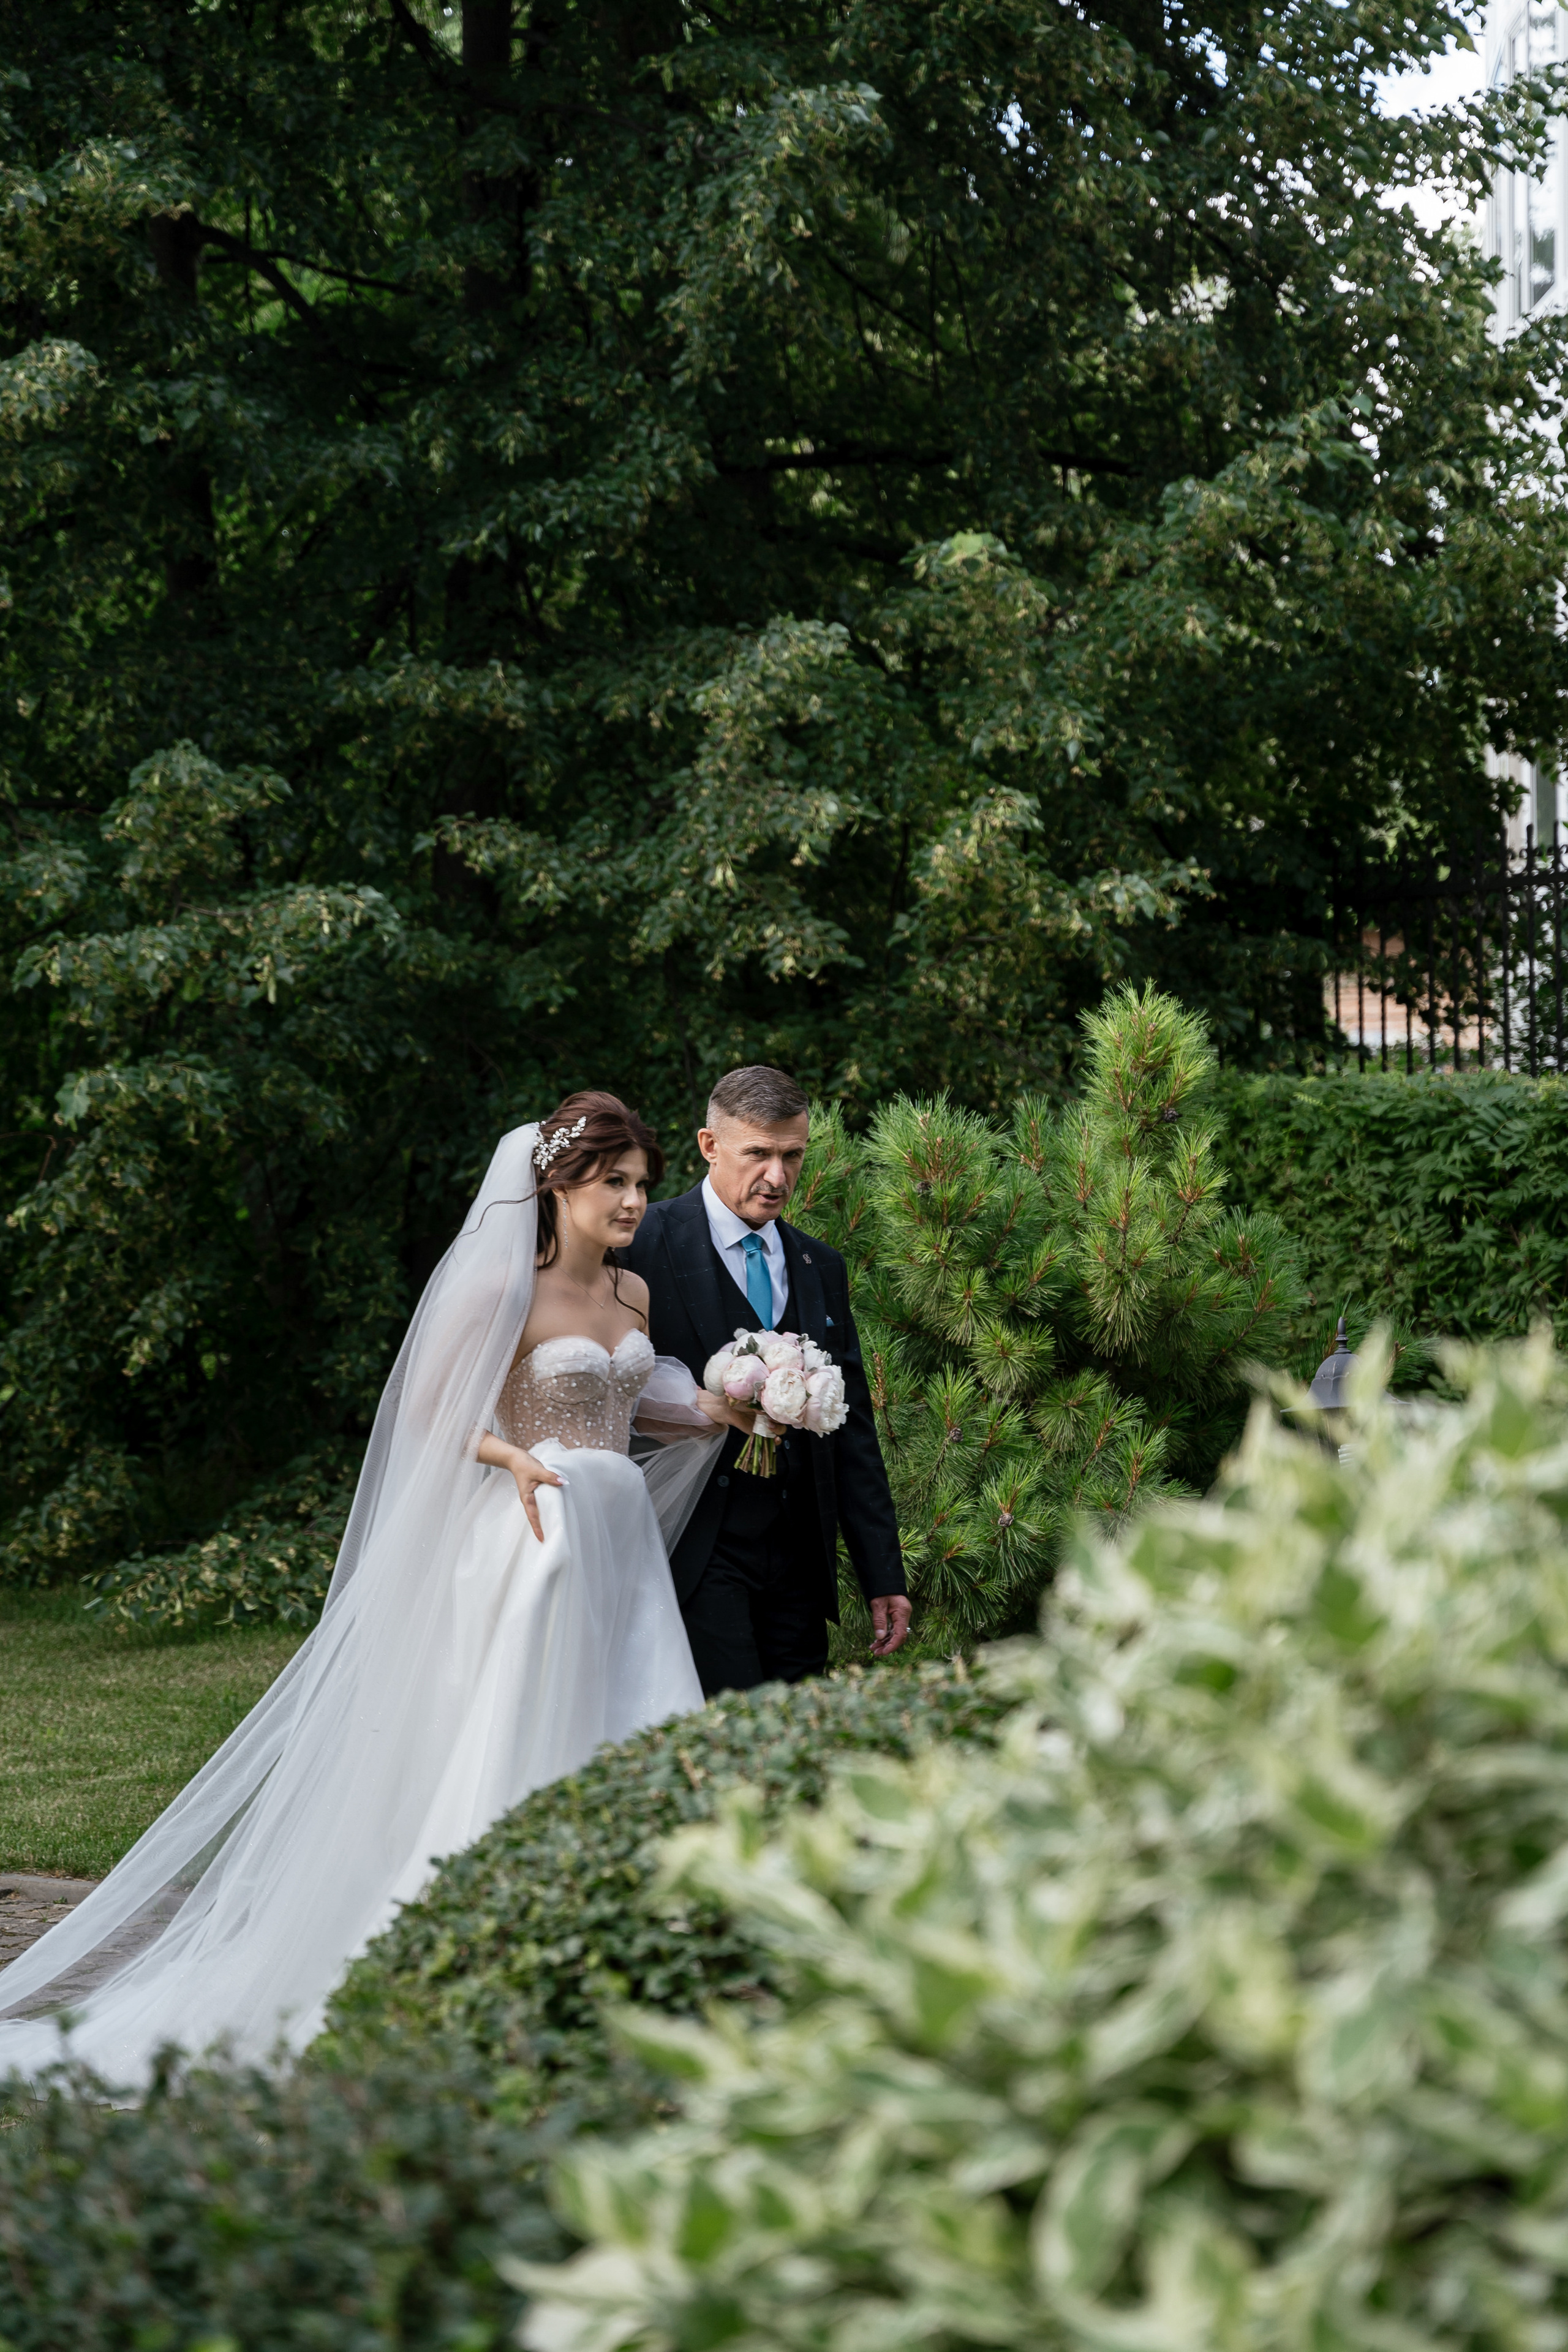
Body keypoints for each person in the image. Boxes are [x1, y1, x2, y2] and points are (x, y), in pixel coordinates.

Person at [0, 1095, 739, 2086]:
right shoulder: (501, 1293)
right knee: (526, 1736)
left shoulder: (634, 1292)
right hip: (536, 1540)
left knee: (635, 1722)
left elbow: (639, 1400)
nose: (635, 1201)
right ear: (558, 1185)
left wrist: (734, 1404)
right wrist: (511, 1457)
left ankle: (637, 1973)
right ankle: (483, 1970)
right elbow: (426, 1418)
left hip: (619, 1542)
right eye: (615, 1181)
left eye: (642, 1183)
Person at [623, 1063, 912, 1695]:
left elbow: (854, 1428)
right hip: (692, 1548)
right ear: (709, 1145)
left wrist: (882, 1575)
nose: (778, 1177)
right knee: (729, 1727)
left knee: (797, 1732)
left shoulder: (820, 1265)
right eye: (758, 1154)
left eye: (792, 1155)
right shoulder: (641, 1245)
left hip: (799, 1560)